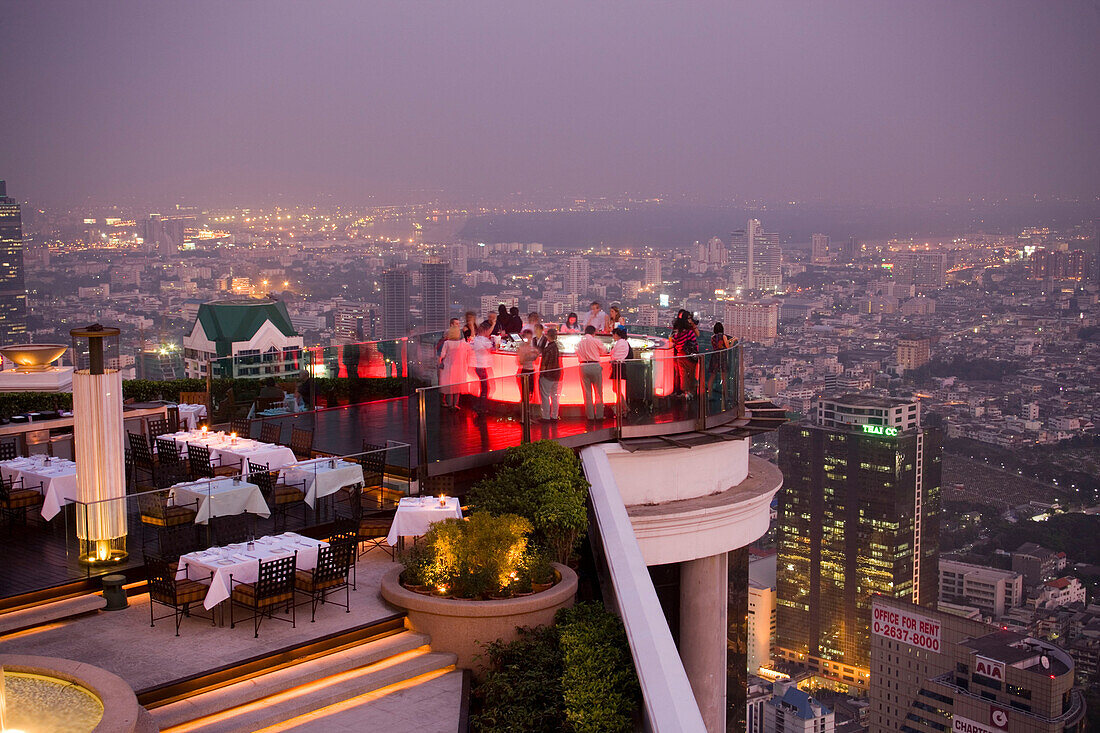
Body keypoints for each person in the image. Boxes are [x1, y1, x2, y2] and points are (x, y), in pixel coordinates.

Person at [576, 325, 605, 421]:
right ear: (594, 333)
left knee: (587, 393)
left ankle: (590, 416)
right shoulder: (596, 341)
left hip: (583, 366)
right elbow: (604, 351)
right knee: (598, 392)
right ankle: (599, 416)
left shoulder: (580, 342)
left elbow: (576, 352)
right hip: (595, 366)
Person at [438, 326, 470, 410]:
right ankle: (455, 404)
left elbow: (442, 355)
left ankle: (449, 404)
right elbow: (470, 348)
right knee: (457, 387)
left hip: (448, 367)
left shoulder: (447, 343)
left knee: (449, 387)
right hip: (459, 368)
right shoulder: (462, 343)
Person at [670, 316, 698, 397]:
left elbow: (674, 344)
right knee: (692, 374)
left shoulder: (676, 334)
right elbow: (694, 343)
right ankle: (691, 391)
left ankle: (685, 392)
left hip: (680, 356)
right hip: (690, 356)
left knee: (683, 375)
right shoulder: (690, 333)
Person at [539, 327, 563, 421]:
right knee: (554, 396)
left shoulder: (548, 349)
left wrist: (542, 374)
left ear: (548, 336)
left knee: (545, 396)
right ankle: (554, 415)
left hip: (547, 374)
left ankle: (545, 416)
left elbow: (544, 363)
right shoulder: (556, 347)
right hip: (556, 374)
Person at [469, 322, 494, 414]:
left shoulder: (476, 339)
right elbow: (491, 349)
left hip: (477, 366)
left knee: (483, 387)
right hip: (482, 366)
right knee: (485, 388)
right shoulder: (485, 340)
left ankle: (480, 405)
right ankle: (482, 407)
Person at [609, 326, 632, 414]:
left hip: (618, 365)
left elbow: (615, 355)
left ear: (617, 334)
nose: (613, 337)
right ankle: (623, 407)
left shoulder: (620, 343)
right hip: (620, 365)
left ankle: (624, 408)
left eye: (613, 335)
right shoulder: (624, 342)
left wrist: (611, 356)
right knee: (616, 388)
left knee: (616, 389)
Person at [707, 321, 732, 399]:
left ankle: (709, 395)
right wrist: (733, 340)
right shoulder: (723, 336)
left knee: (712, 377)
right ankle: (726, 396)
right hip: (722, 357)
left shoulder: (712, 337)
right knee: (724, 378)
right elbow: (728, 347)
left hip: (714, 357)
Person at [515, 328, 539, 407]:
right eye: (527, 337)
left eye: (530, 338)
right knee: (524, 393)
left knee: (531, 392)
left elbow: (536, 361)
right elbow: (520, 361)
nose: (528, 340)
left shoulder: (533, 347)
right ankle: (523, 410)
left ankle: (528, 410)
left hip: (532, 371)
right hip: (524, 371)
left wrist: (535, 354)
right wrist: (526, 354)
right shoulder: (522, 347)